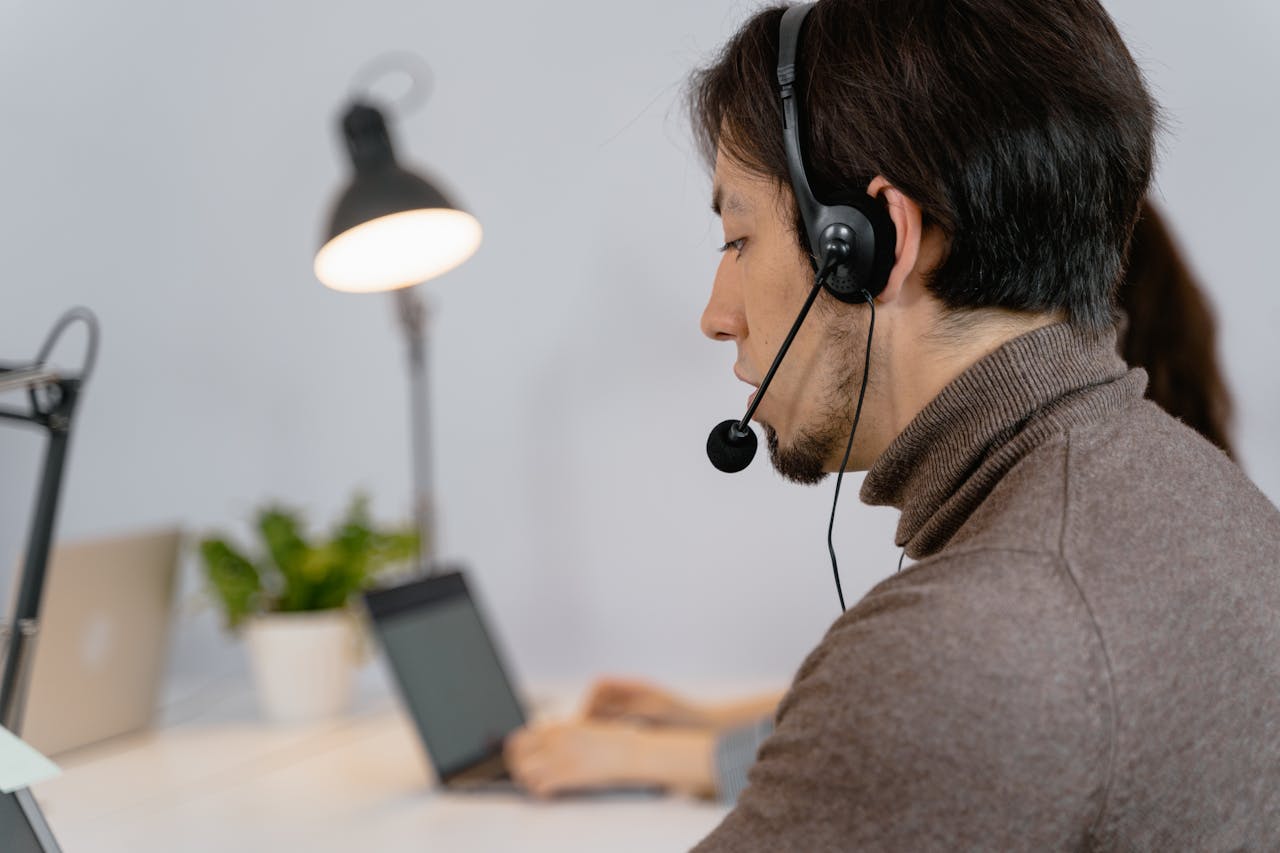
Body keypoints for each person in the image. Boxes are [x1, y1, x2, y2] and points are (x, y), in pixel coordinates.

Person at [508, 0, 1280, 847]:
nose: (716, 314)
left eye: (738, 239)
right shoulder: (1213, 507)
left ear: (875, 241)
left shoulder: (968, 640)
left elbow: (957, 697)